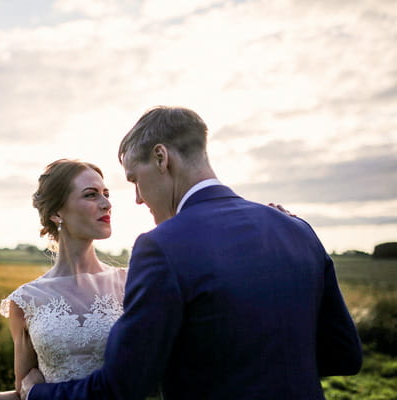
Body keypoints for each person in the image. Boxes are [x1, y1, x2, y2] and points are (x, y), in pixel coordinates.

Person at [21, 106, 363, 400]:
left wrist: (36, 392)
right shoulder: (296, 229)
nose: (138, 198)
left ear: (161, 158)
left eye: (134, 181)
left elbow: (121, 388)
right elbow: (345, 356)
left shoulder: (161, 246)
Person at [0, 159, 127, 399]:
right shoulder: (27, 300)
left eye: (106, 193)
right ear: (56, 212)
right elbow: (23, 395)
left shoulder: (130, 282)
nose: (107, 204)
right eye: (91, 195)